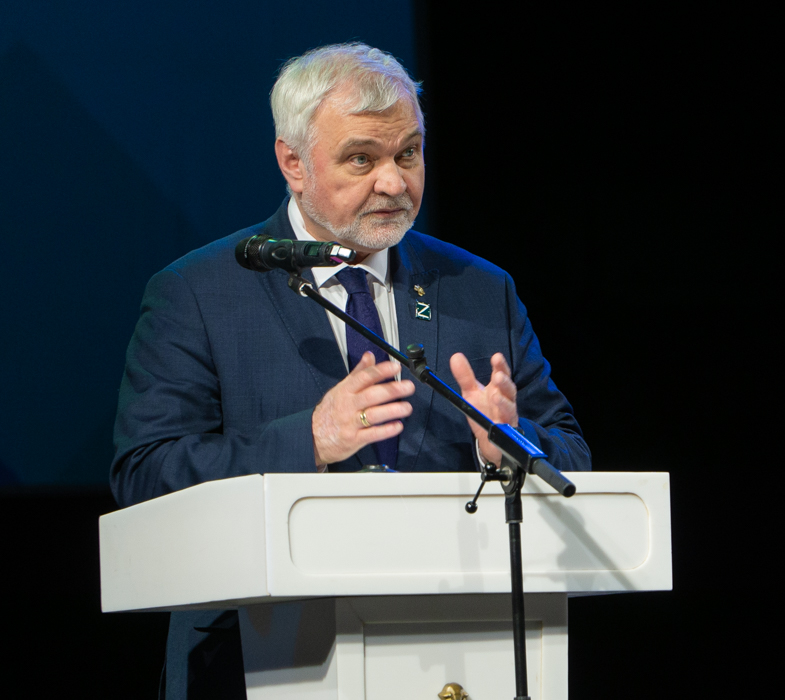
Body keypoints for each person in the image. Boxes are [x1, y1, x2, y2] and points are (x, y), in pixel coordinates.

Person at [110, 43, 590, 698]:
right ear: (293, 163)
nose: (394, 182)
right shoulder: (198, 293)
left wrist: (510, 442)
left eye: (408, 154)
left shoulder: (480, 290)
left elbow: (573, 460)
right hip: (253, 657)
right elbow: (146, 476)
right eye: (362, 159)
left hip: (456, 648)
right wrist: (309, 439)